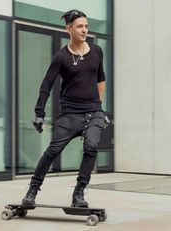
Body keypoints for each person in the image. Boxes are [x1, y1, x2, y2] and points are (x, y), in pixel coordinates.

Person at [21, 9, 109, 208]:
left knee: (91, 147)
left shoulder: (97, 51)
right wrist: (39, 113)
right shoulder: (61, 57)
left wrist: (99, 106)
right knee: (53, 150)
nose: (84, 30)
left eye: (86, 26)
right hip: (70, 113)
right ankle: (32, 190)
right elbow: (46, 85)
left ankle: (78, 193)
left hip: (94, 112)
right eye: (80, 26)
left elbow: (101, 78)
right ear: (68, 28)